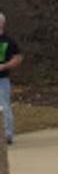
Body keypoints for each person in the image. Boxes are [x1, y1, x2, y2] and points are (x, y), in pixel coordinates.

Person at [0, 12, 23, 145]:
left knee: (5, 106)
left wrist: (4, 66)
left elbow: (17, 58)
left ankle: (7, 134)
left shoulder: (9, 41)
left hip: (2, 80)